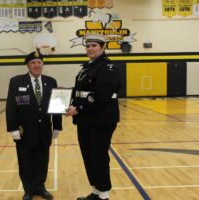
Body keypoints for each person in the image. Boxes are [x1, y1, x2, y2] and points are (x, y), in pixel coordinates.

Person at [66, 34, 121, 200]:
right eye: (88, 45)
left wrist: (79, 108)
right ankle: (96, 191)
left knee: (98, 156)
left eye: (94, 45)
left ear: (102, 47)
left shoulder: (107, 67)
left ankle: (104, 195)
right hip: (87, 119)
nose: (90, 48)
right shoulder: (88, 67)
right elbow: (81, 91)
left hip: (101, 120)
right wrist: (67, 100)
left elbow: (102, 96)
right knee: (89, 155)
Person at [6, 51, 62, 200]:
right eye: (33, 62)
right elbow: (11, 106)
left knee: (42, 160)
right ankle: (29, 190)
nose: (36, 65)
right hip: (24, 131)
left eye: (39, 62)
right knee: (25, 160)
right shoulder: (16, 81)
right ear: (27, 65)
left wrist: (57, 126)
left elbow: (56, 105)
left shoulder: (51, 81)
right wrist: (12, 128)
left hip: (44, 129)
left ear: (42, 64)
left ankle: (40, 187)